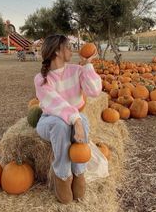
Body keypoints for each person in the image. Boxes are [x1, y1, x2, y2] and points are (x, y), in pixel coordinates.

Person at [34, 34, 102, 204]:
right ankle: (63, 177)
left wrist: (88, 66)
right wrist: (76, 120)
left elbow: (94, 92)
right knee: (60, 125)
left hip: (73, 119)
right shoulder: (41, 79)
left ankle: (79, 173)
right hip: (49, 121)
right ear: (57, 51)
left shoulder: (77, 71)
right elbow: (56, 105)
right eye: (68, 47)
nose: (73, 50)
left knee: (82, 122)